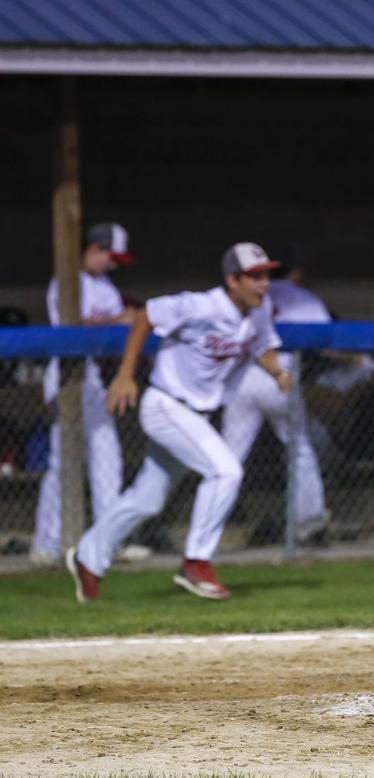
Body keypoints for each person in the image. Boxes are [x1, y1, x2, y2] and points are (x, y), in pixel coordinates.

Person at [66, 243, 288, 602]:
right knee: (225, 471)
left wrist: (276, 371)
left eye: (266, 275)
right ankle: (196, 562)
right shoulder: (200, 305)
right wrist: (125, 375)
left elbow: (261, 344)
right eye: (255, 276)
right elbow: (145, 316)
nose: (264, 283)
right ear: (232, 280)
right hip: (166, 405)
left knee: (147, 500)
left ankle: (87, 557)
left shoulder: (257, 312)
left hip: (194, 415)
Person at [30, 223, 140, 566]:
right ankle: (46, 544)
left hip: (91, 376)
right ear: (93, 248)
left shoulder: (104, 286)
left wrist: (127, 321)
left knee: (108, 455)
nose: (114, 264)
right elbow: (72, 325)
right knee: (64, 459)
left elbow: (113, 329)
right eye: (110, 256)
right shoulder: (66, 281)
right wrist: (120, 320)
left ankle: (108, 541)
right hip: (64, 375)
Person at [222, 257, 331, 545]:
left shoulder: (251, 295)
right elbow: (326, 340)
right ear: (296, 271)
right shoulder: (302, 298)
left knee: (227, 459)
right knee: (300, 450)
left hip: (242, 380)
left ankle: (213, 526)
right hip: (279, 376)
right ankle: (309, 523)